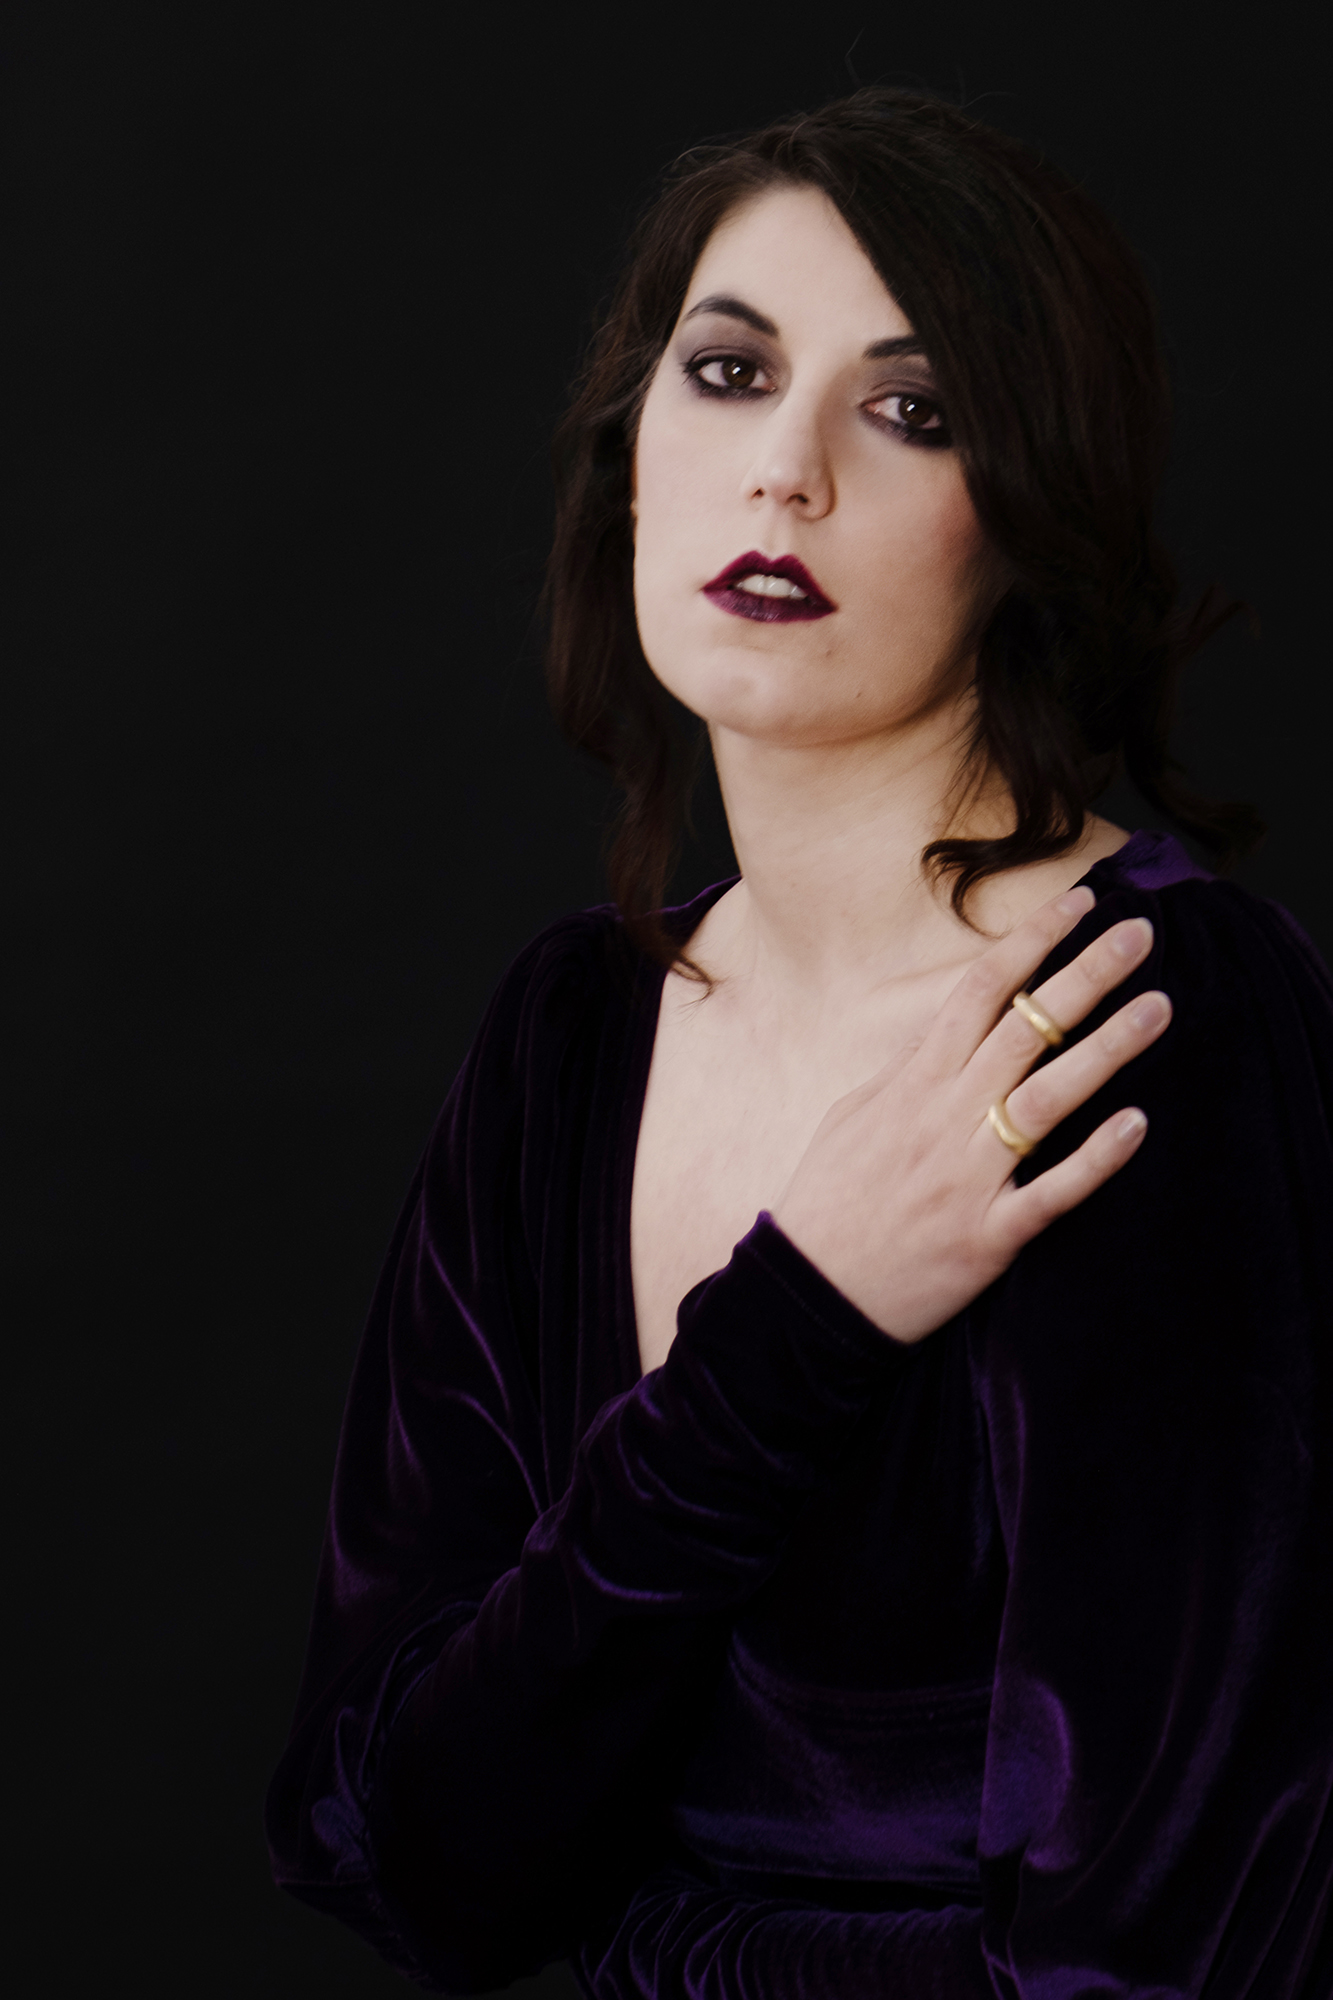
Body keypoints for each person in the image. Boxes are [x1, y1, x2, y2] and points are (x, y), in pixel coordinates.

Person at [265, 90, 1333, 1997]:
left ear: (1025, 517)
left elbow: (1169, 1949)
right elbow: (412, 1853)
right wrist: (799, 1319)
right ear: (631, 455)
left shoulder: (1148, 1021)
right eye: (730, 372)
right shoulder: (567, 1038)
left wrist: (645, 1939)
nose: (785, 473)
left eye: (910, 410)